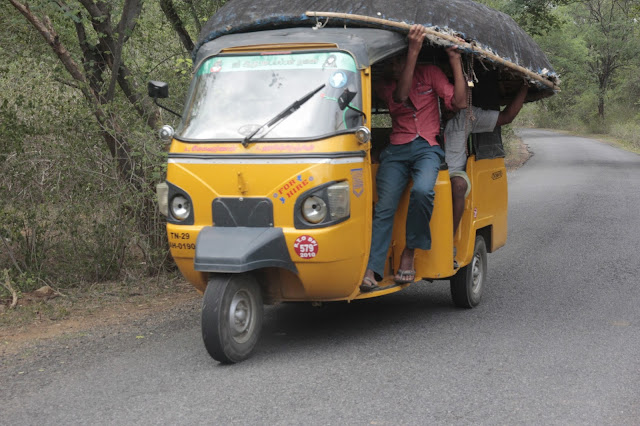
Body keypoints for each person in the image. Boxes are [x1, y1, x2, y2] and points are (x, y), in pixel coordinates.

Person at [360, 24, 467, 292]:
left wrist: (455, 60)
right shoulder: (385, 84)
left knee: (422, 191)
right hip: (397, 150)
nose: (393, 65)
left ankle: (409, 252)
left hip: (427, 148)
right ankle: (373, 268)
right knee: (384, 207)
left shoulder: (430, 73)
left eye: (397, 60)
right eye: (393, 61)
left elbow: (460, 102)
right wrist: (413, 51)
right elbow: (401, 95)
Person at [445, 81, 529, 258]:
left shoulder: (467, 114)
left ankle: (448, 240)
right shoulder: (422, 110)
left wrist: (524, 87)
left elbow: (506, 117)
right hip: (423, 168)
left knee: (458, 186)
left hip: (453, 173)